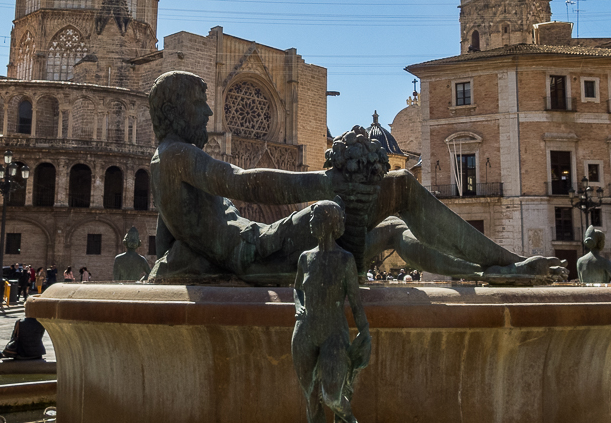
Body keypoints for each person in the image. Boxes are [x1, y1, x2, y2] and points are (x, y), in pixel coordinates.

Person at [147, 71, 565, 285]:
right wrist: (328, 184)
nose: (207, 112)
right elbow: (241, 182)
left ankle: (488, 271)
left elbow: (170, 246)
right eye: (200, 103)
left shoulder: (167, 163)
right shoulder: (176, 155)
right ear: (177, 107)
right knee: (399, 186)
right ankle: (506, 265)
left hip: (264, 245)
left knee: (395, 228)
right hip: (263, 252)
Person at [291, 201, 375, 423]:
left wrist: (365, 331)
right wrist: (297, 306)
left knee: (331, 395)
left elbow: (356, 301)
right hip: (304, 331)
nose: (310, 223)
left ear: (328, 222)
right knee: (311, 399)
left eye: (314, 218)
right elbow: (296, 289)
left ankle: (351, 422)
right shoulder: (305, 258)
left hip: (334, 333)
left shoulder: (345, 260)